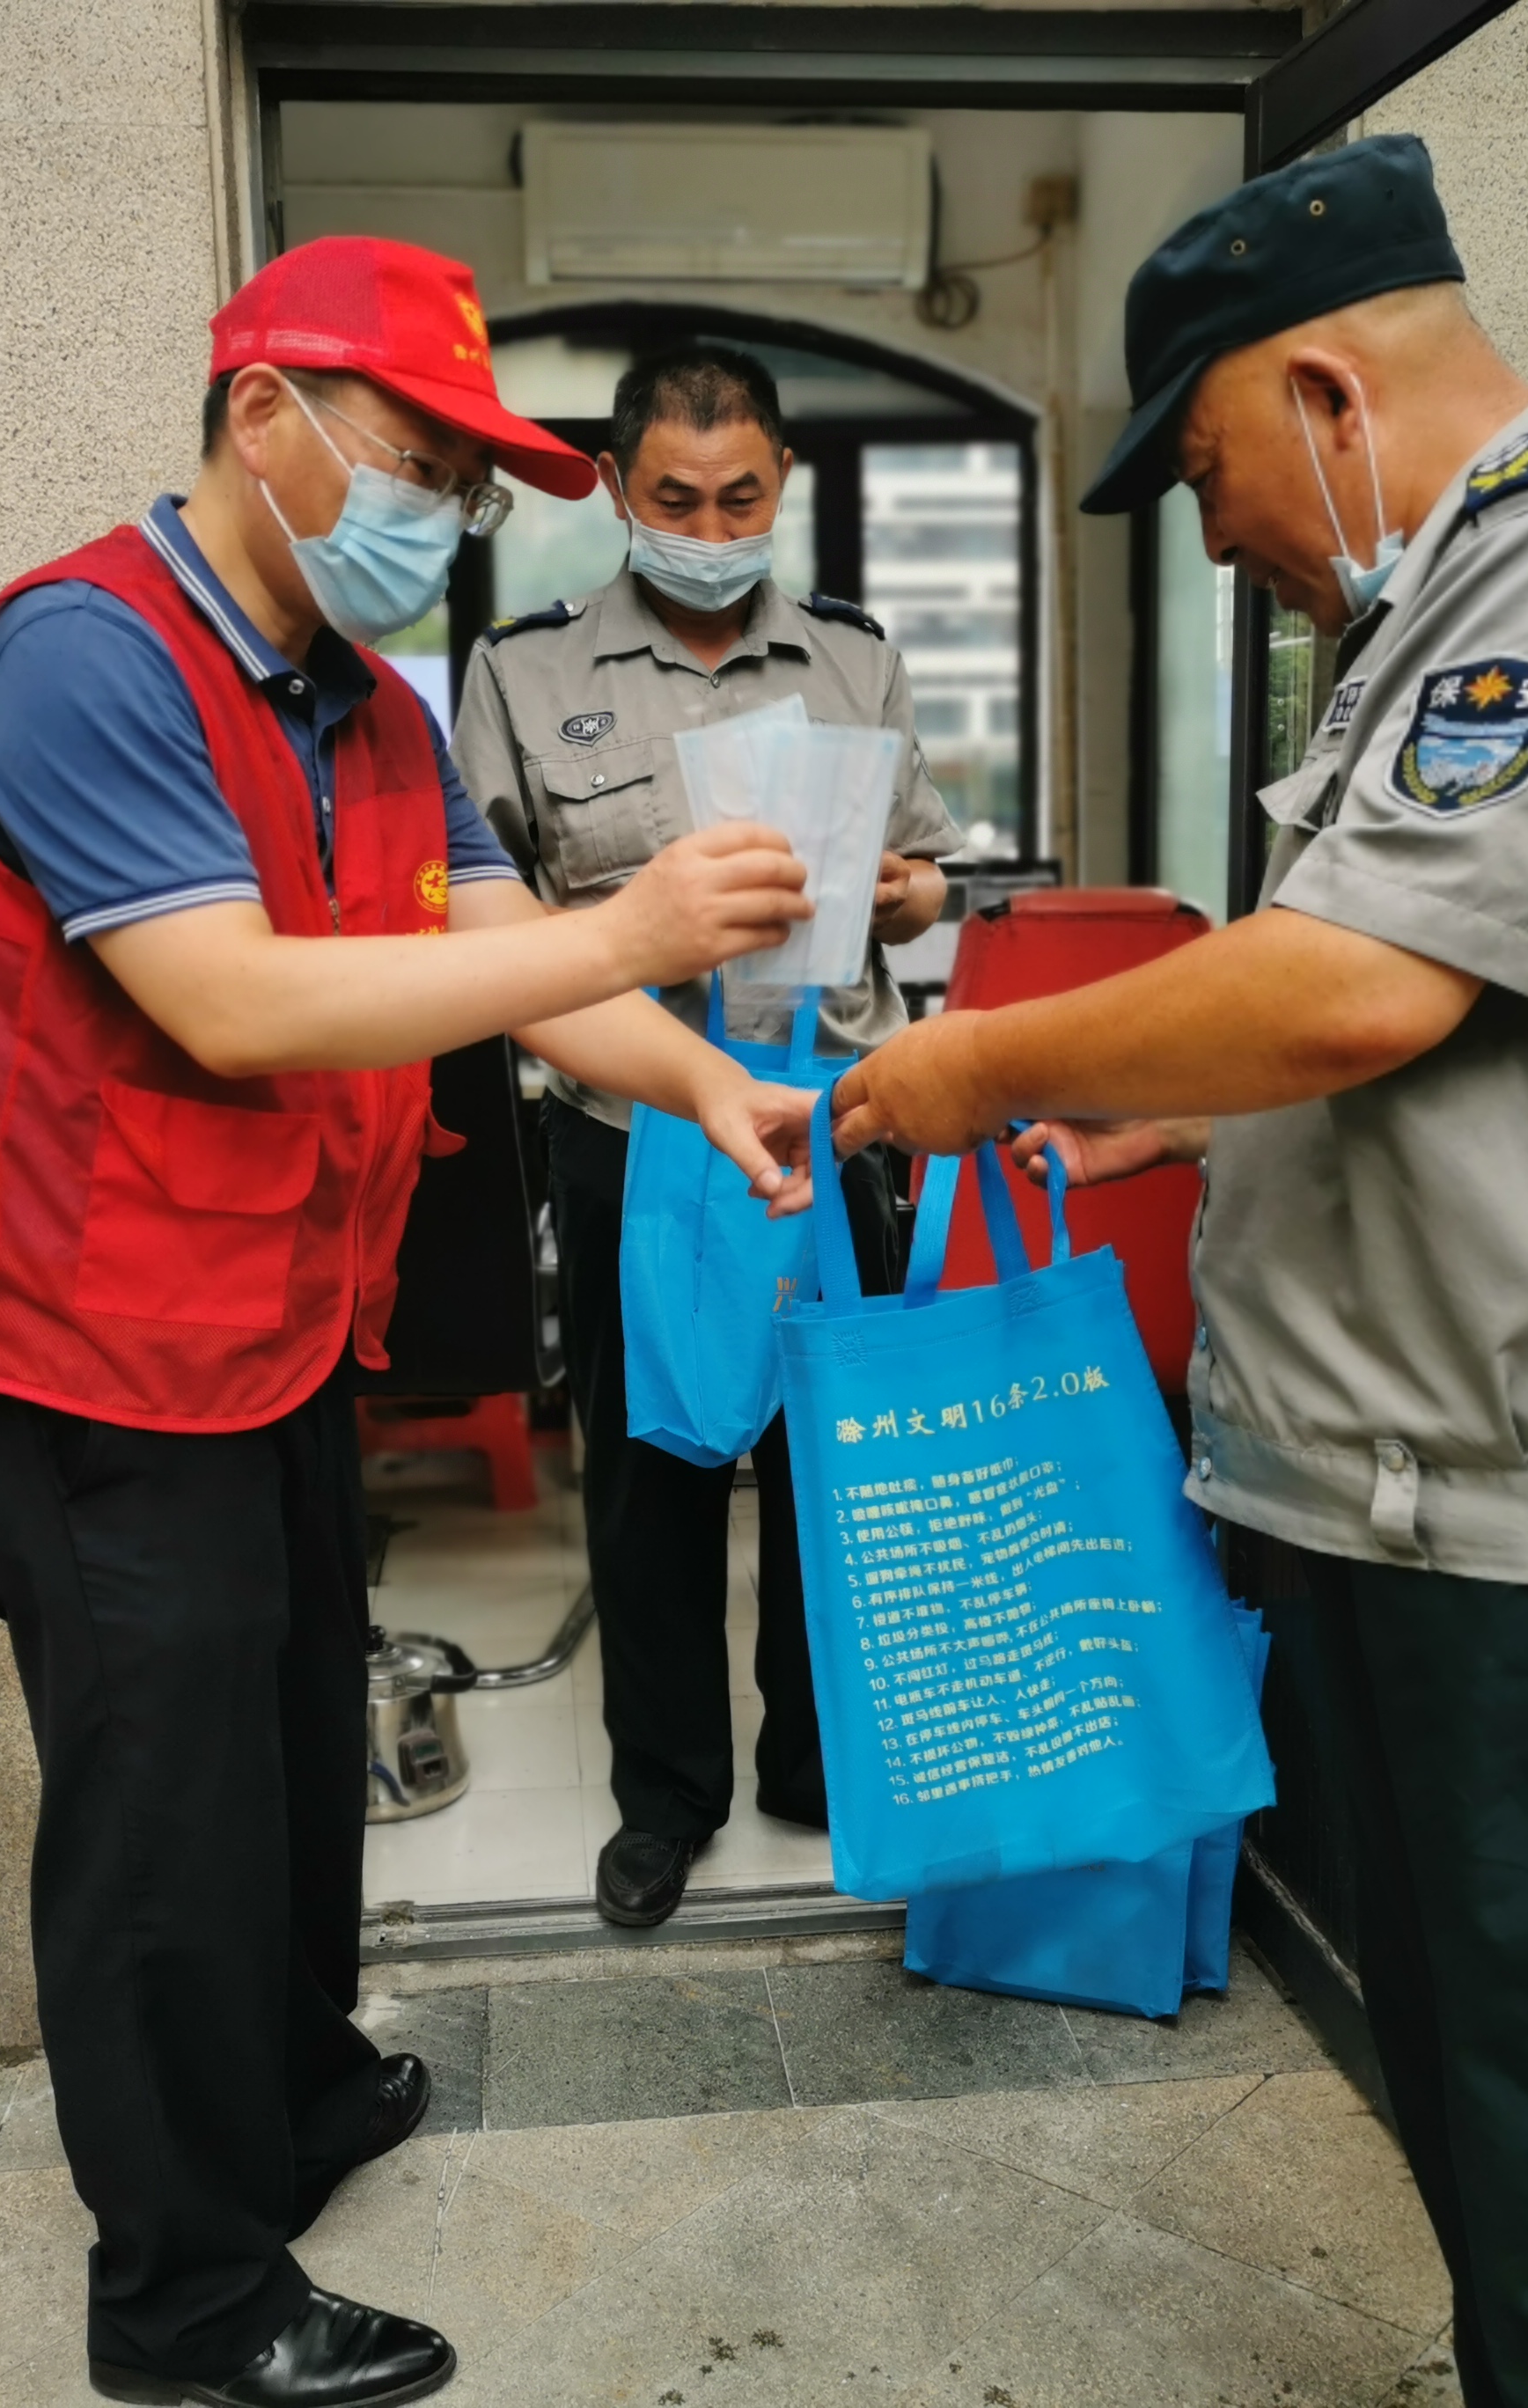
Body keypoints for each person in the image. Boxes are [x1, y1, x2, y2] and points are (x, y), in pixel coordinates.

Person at [833, 136, 1528, 2408]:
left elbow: (1360, 986)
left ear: (1323, 393)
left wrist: (980, 1063)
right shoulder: (1438, 611)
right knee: (1521, 2158)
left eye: (1206, 471)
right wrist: (1202, 1116)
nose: (1217, 537)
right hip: (1444, 1524)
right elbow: (1497, 1027)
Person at [0, 239, 823, 2408]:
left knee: (296, 1763)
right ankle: (187, 2301)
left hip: (281, 1331)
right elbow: (230, 998)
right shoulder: (82, 658)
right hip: (94, 1359)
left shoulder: (380, 708)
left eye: (470, 488)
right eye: (420, 461)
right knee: (163, 1825)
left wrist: (706, 1080)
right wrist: (638, 928)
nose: (443, 515)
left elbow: (509, 953)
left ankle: (296, 2096)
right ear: (263, 414)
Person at [454, 343, 963, 1928]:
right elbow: (477, 916)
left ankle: (818, 1763)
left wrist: (908, 892)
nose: (711, 528)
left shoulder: (854, 658)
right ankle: (666, 1799)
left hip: (833, 1112)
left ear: (782, 481)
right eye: (675, 500)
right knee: (650, 1472)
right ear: (617, 488)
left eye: (741, 497)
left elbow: (928, 872)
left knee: (835, 1456)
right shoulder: (526, 674)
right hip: (639, 1119)